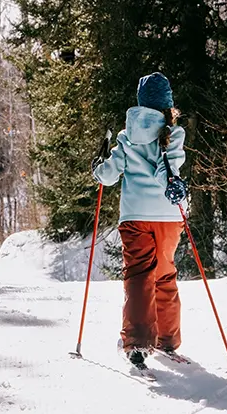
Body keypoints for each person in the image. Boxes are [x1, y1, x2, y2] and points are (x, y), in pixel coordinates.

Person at [92, 72, 188, 369]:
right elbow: (167, 170)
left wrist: (98, 167)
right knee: (165, 274)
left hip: (134, 217)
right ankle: (167, 340)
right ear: (167, 105)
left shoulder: (126, 136)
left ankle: (137, 341)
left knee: (138, 276)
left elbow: (107, 176)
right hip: (168, 217)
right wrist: (172, 183)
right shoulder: (174, 133)